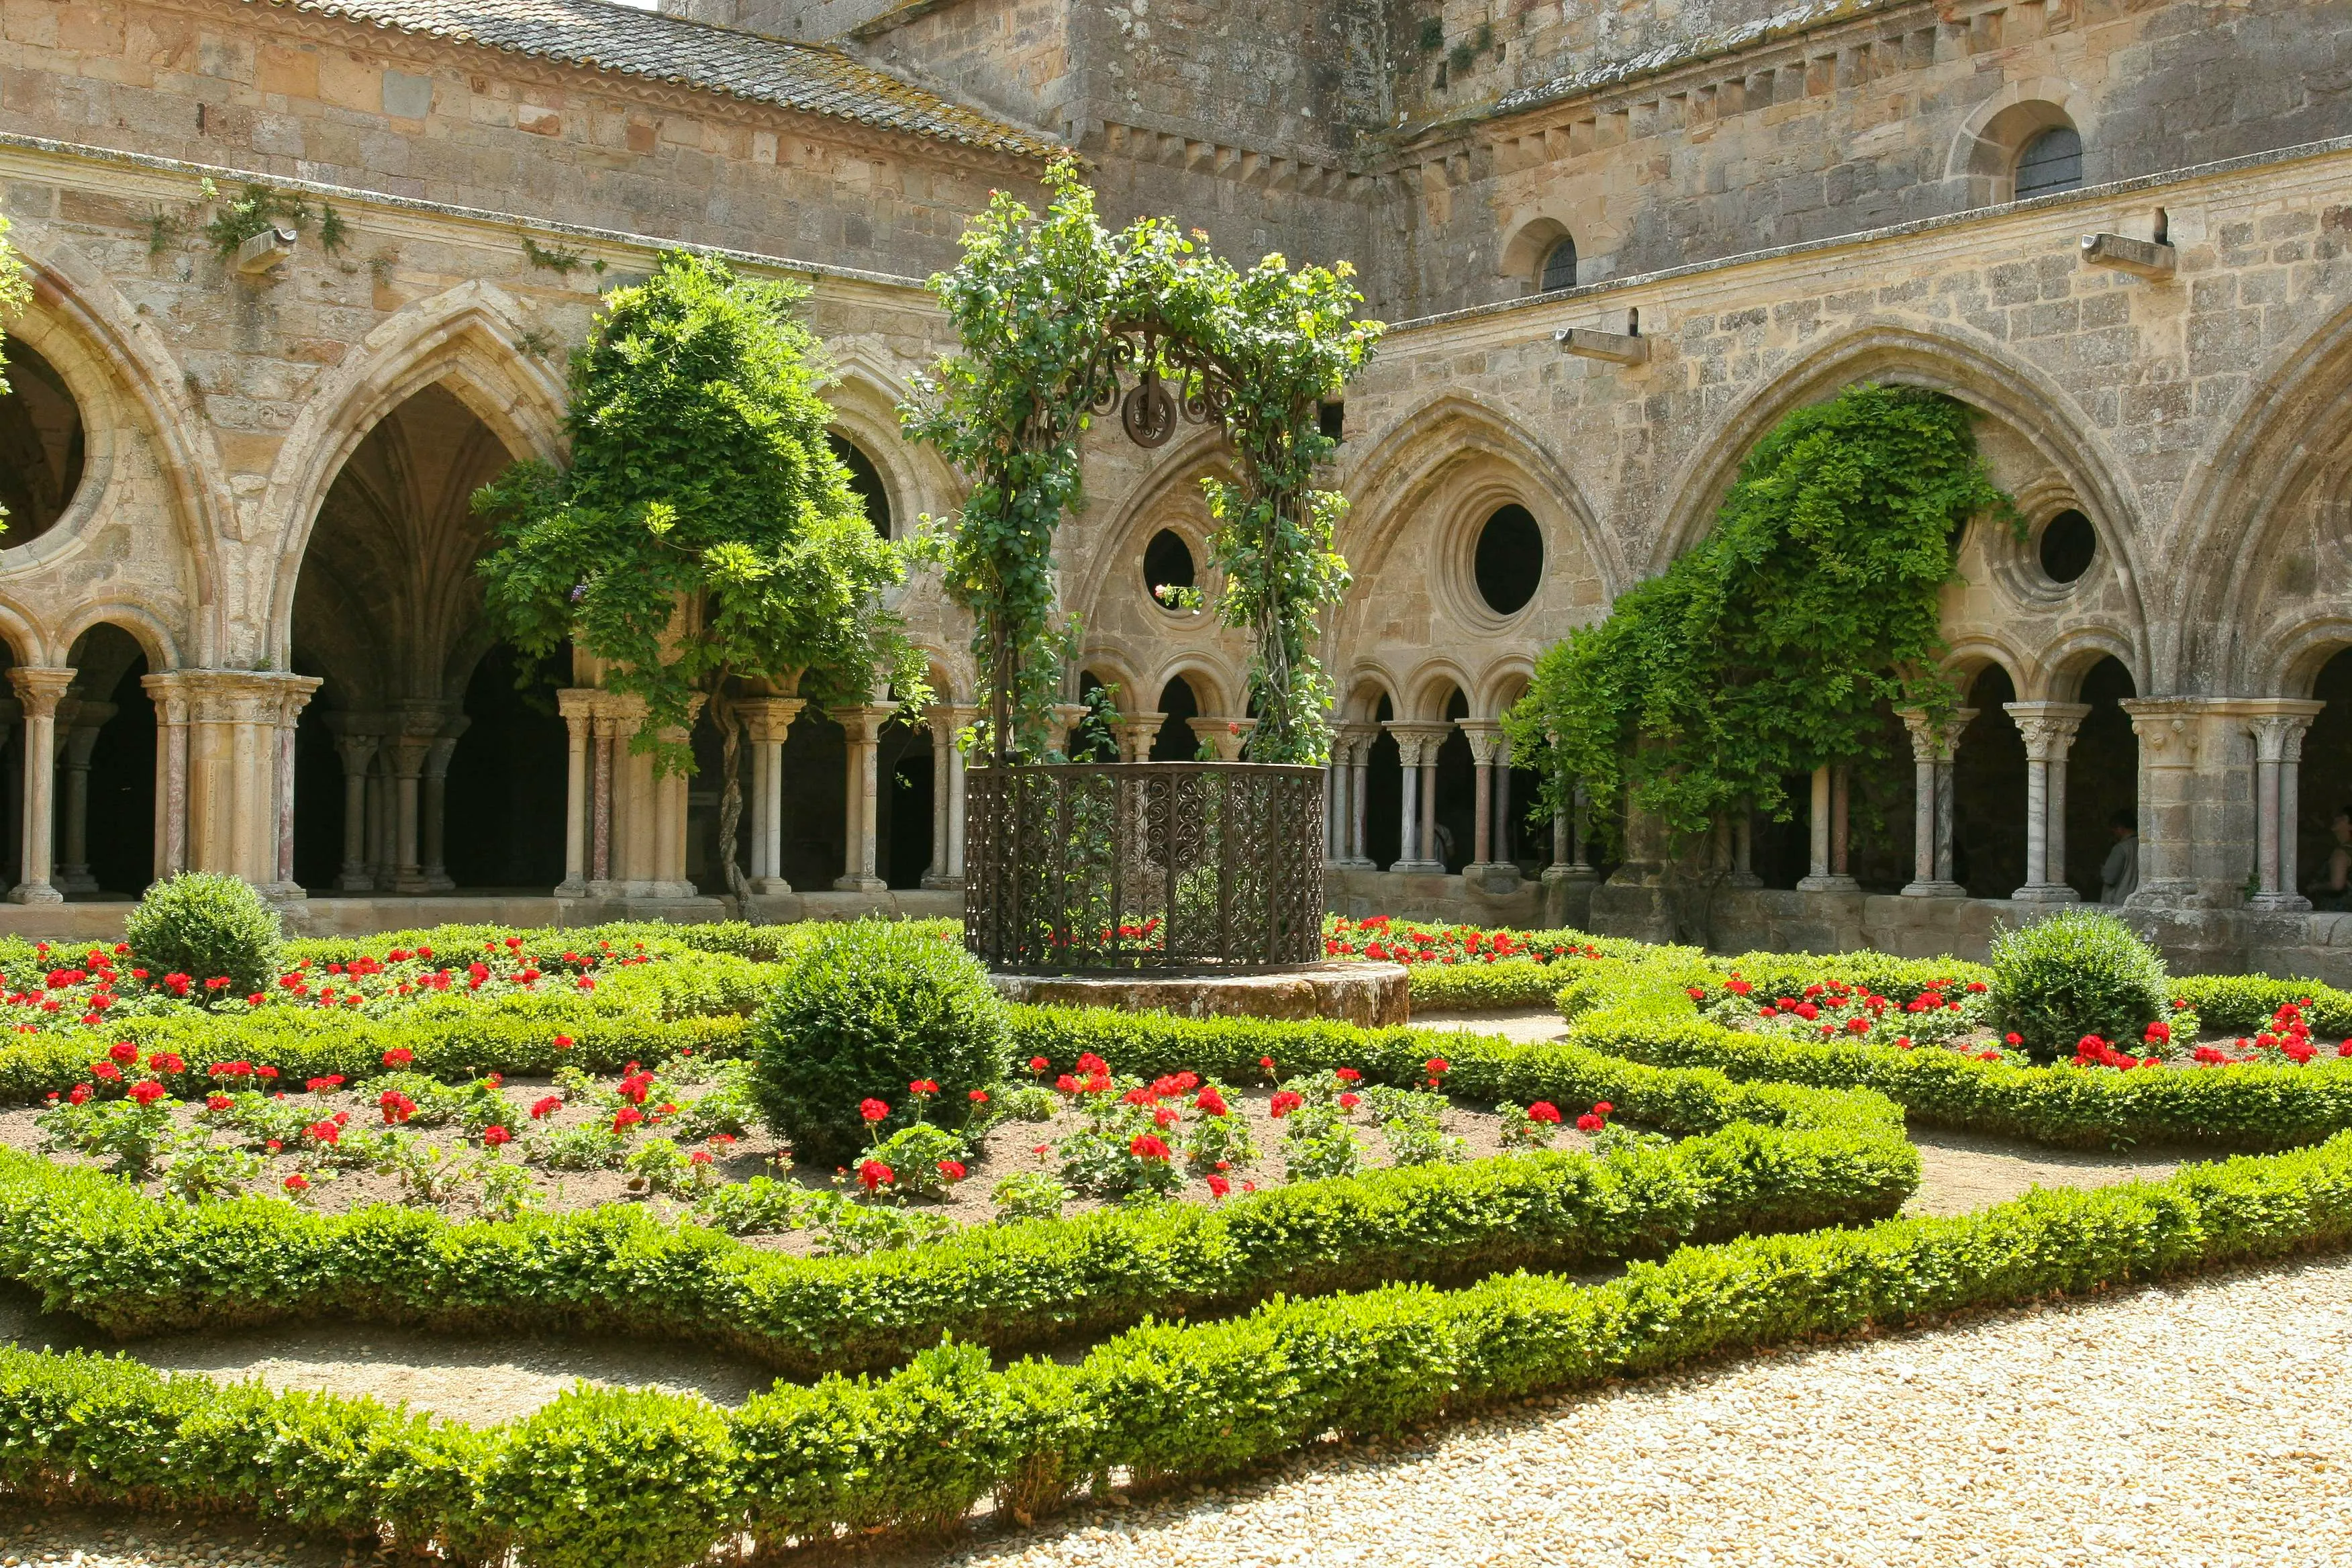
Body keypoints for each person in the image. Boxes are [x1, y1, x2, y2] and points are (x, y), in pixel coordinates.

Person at [2307, 806, 2352, 911]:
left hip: (2340, 910)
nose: (2337, 819)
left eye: (2343, 818)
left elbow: (2337, 885)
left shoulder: (2342, 853)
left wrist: (2315, 887)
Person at [2100, 811, 2139, 905]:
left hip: (2120, 899)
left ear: (2120, 828)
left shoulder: (2121, 848)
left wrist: (2103, 870)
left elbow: (2110, 878)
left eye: (2114, 830)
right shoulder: (2142, 845)